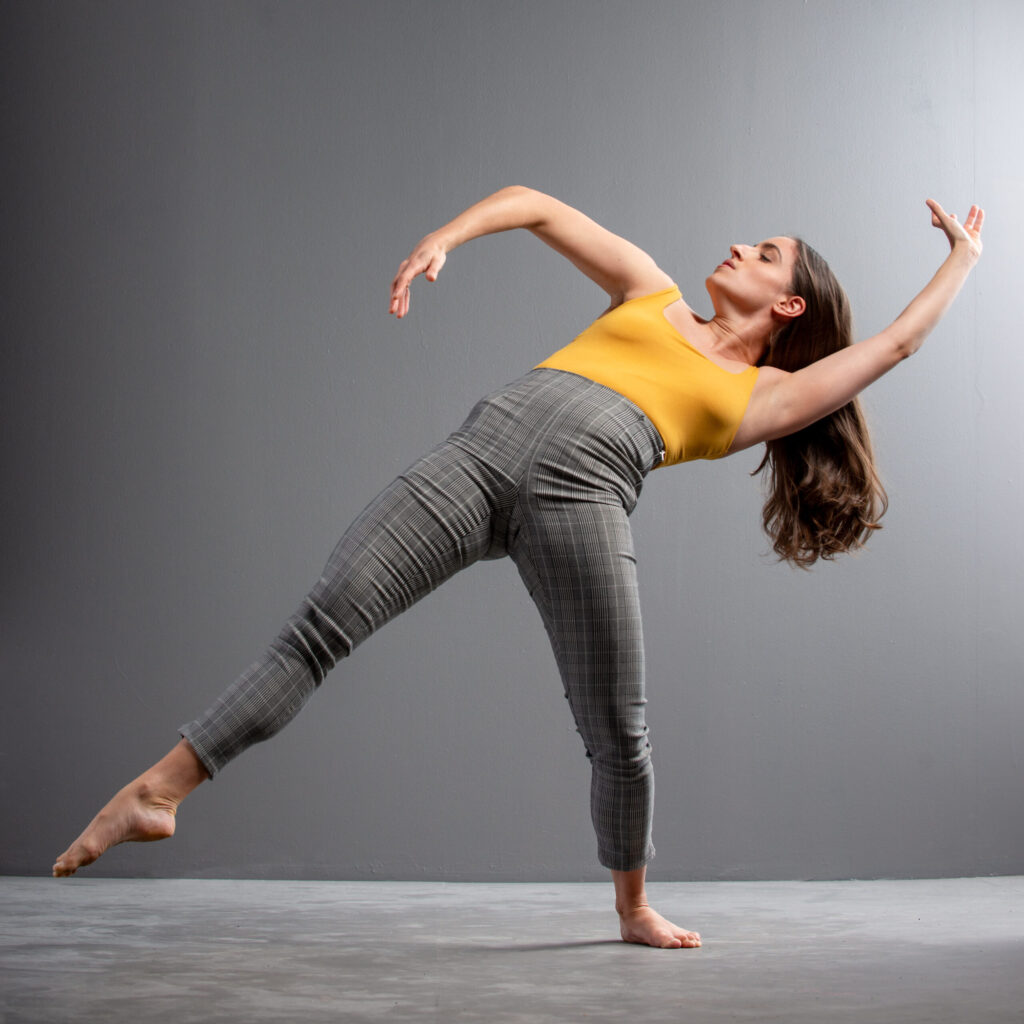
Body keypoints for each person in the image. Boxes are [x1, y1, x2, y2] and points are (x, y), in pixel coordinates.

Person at [52, 186, 984, 949]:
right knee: (322, 624)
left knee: (618, 728)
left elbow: (895, 343)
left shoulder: (764, 394)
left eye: (766, 252)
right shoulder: (650, 292)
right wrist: (446, 236)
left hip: (583, 500)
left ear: (789, 304)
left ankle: (631, 907)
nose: (741, 247)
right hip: (478, 455)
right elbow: (541, 206)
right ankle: (159, 791)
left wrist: (962, 260)